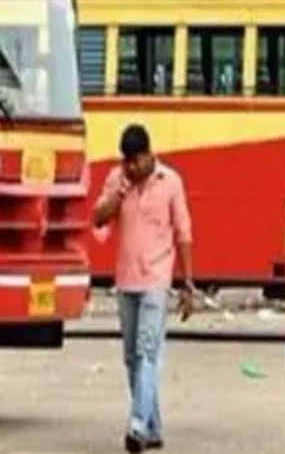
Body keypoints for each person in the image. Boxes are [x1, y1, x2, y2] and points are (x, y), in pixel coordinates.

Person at [93, 123, 194, 453]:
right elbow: (97, 218)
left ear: (150, 155)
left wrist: (187, 283)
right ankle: (153, 427)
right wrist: (118, 193)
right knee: (131, 359)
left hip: (156, 281)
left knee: (147, 351)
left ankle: (137, 424)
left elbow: (183, 234)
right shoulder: (116, 179)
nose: (132, 167)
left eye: (137, 161)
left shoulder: (171, 182)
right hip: (126, 281)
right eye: (127, 162)